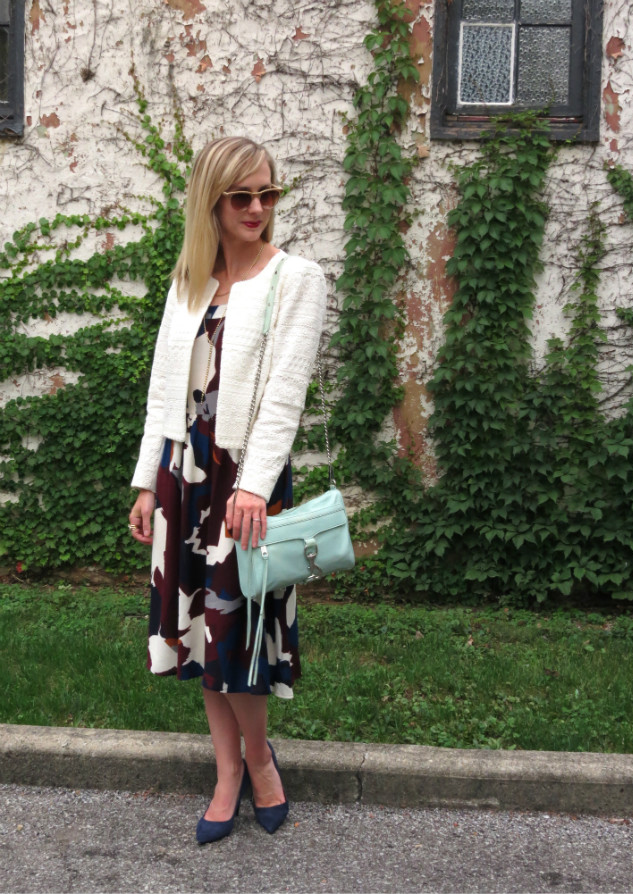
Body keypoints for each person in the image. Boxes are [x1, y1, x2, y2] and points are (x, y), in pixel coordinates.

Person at [128, 136, 327, 844]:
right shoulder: (190, 279)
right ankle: (228, 773)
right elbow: (162, 392)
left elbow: (284, 395)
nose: (257, 208)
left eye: (268, 194)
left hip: (244, 484)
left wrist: (254, 486)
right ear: (211, 202)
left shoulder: (295, 278)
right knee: (200, 633)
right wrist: (146, 481)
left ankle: (259, 764)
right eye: (241, 196)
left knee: (235, 631)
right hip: (184, 478)